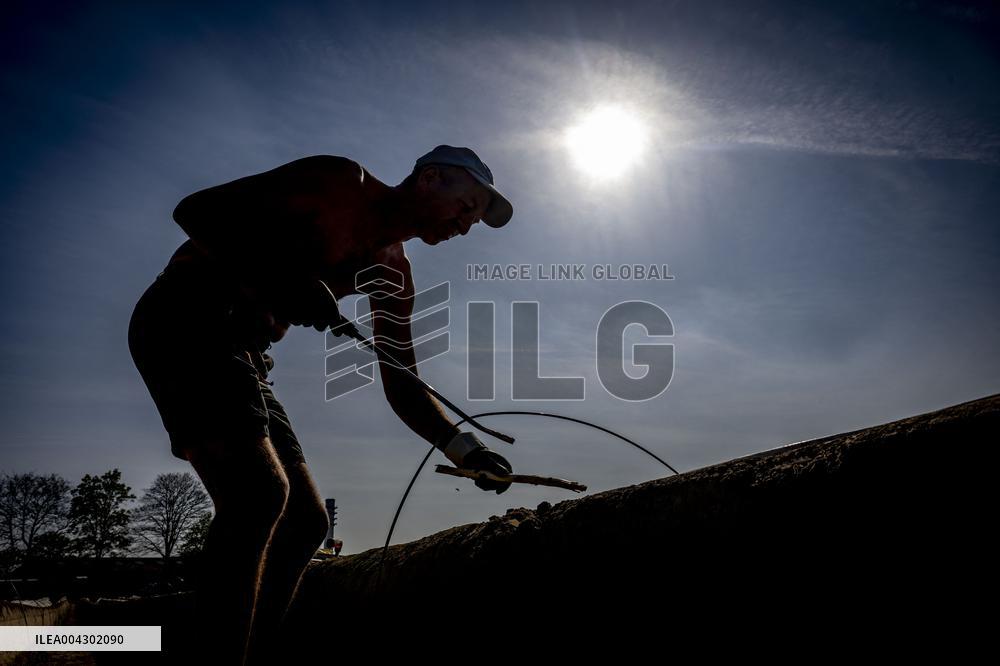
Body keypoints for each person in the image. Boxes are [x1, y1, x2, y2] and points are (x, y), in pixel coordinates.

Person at [127, 145, 515, 665]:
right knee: (259, 494)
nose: (464, 227)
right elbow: (195, 210)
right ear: (429, 179)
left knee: (306, 523)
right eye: (465, 207)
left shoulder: (394, 276)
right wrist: (283, 276)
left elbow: (403, 384)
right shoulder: (339, 182)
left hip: (246, 354)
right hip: (184, 316)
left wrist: (465, 449)